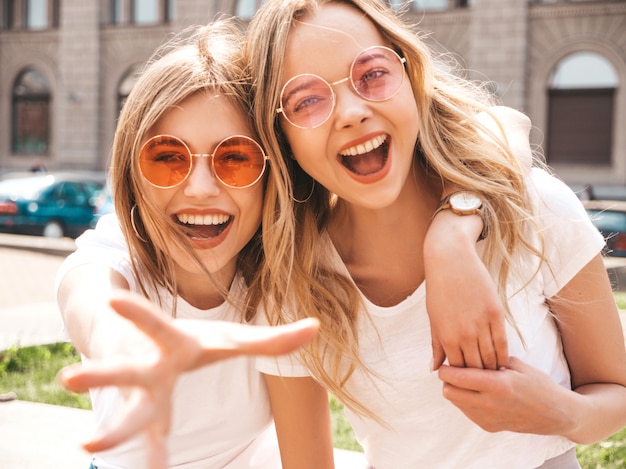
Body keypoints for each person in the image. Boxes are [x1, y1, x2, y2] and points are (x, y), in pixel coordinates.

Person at [242, 0, 626, 468]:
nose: (351, 112)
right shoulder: (292, 283)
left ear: (411, 78)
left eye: (372, 74)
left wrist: (561, 412)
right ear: (280, 136)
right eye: (306, 101)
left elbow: (615, 394)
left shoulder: (535, 206)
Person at [55, 19, 318, 469]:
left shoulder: (282, 281)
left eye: (235, 157)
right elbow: (94, 305)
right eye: (167, 158)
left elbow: (307, 459)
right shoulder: (112, 254)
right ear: (132, 177)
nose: (199, 188)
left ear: (272, 176)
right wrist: (129, 349)